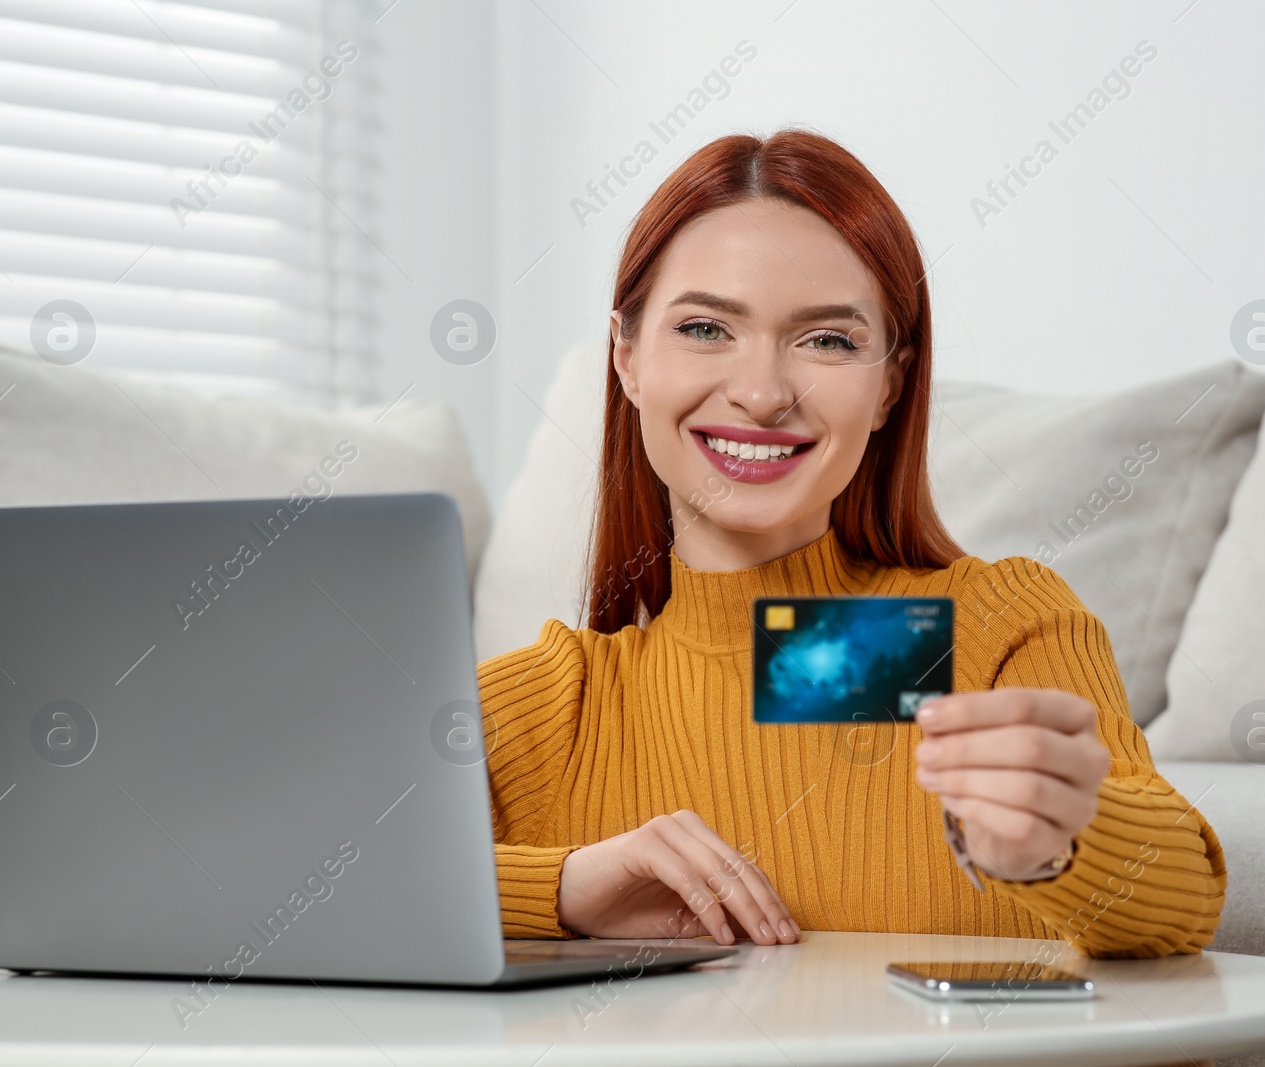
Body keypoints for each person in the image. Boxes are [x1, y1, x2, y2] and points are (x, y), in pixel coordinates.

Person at [478, 128, 1225, 959]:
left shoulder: (993, 627)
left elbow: (1186, 904)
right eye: (704, 328)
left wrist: (1064, 840)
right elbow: (311, 886)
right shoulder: (554, 705)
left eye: (827, 340)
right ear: (626, 357)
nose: (762, 394)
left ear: (888, 387)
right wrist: (561, 891)